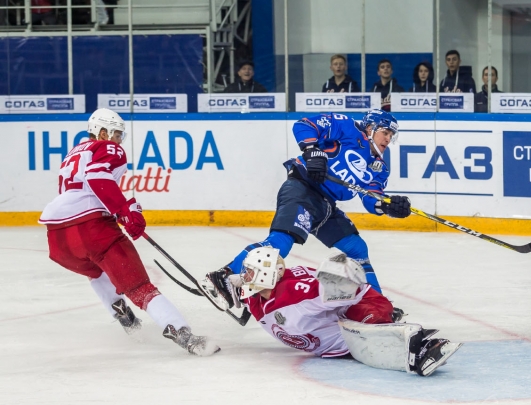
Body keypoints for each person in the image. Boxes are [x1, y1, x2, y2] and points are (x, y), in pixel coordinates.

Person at [38, 108, 219, 357]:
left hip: (59, 239)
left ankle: (124, 317)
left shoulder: (73, 153)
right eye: (117, 134)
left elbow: (81, 188)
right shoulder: (106, 147)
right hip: (92, 229)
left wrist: (122, 209)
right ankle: (182, 334)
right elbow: (97, 175)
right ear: (102, 132)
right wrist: (124, 210)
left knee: (97, 271)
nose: (119, 140)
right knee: (139, 287)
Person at [203, 110, 411, 319]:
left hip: (326, 205)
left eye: (391, 135)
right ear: (370, 128)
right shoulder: (347, 127)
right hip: (302, 188)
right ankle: (223, 277)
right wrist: (312, 151)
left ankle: (375, 303)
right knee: (282, 240)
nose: (388, 139)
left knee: (357, 248)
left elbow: (370, 197)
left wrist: (387, 206)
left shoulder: (380, 167)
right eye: (385, 132)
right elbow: (303, 125)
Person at [232, 247, 462, 376]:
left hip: (364, 306)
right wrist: (230, 282)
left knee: (363, 317)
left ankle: (422, 350)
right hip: (334, 337)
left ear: (268, 274)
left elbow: (348, 288)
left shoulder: (295, 292)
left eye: (251, 272)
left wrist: (342, 278)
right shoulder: (257, 296)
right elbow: (248, 294)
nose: (246, 276)